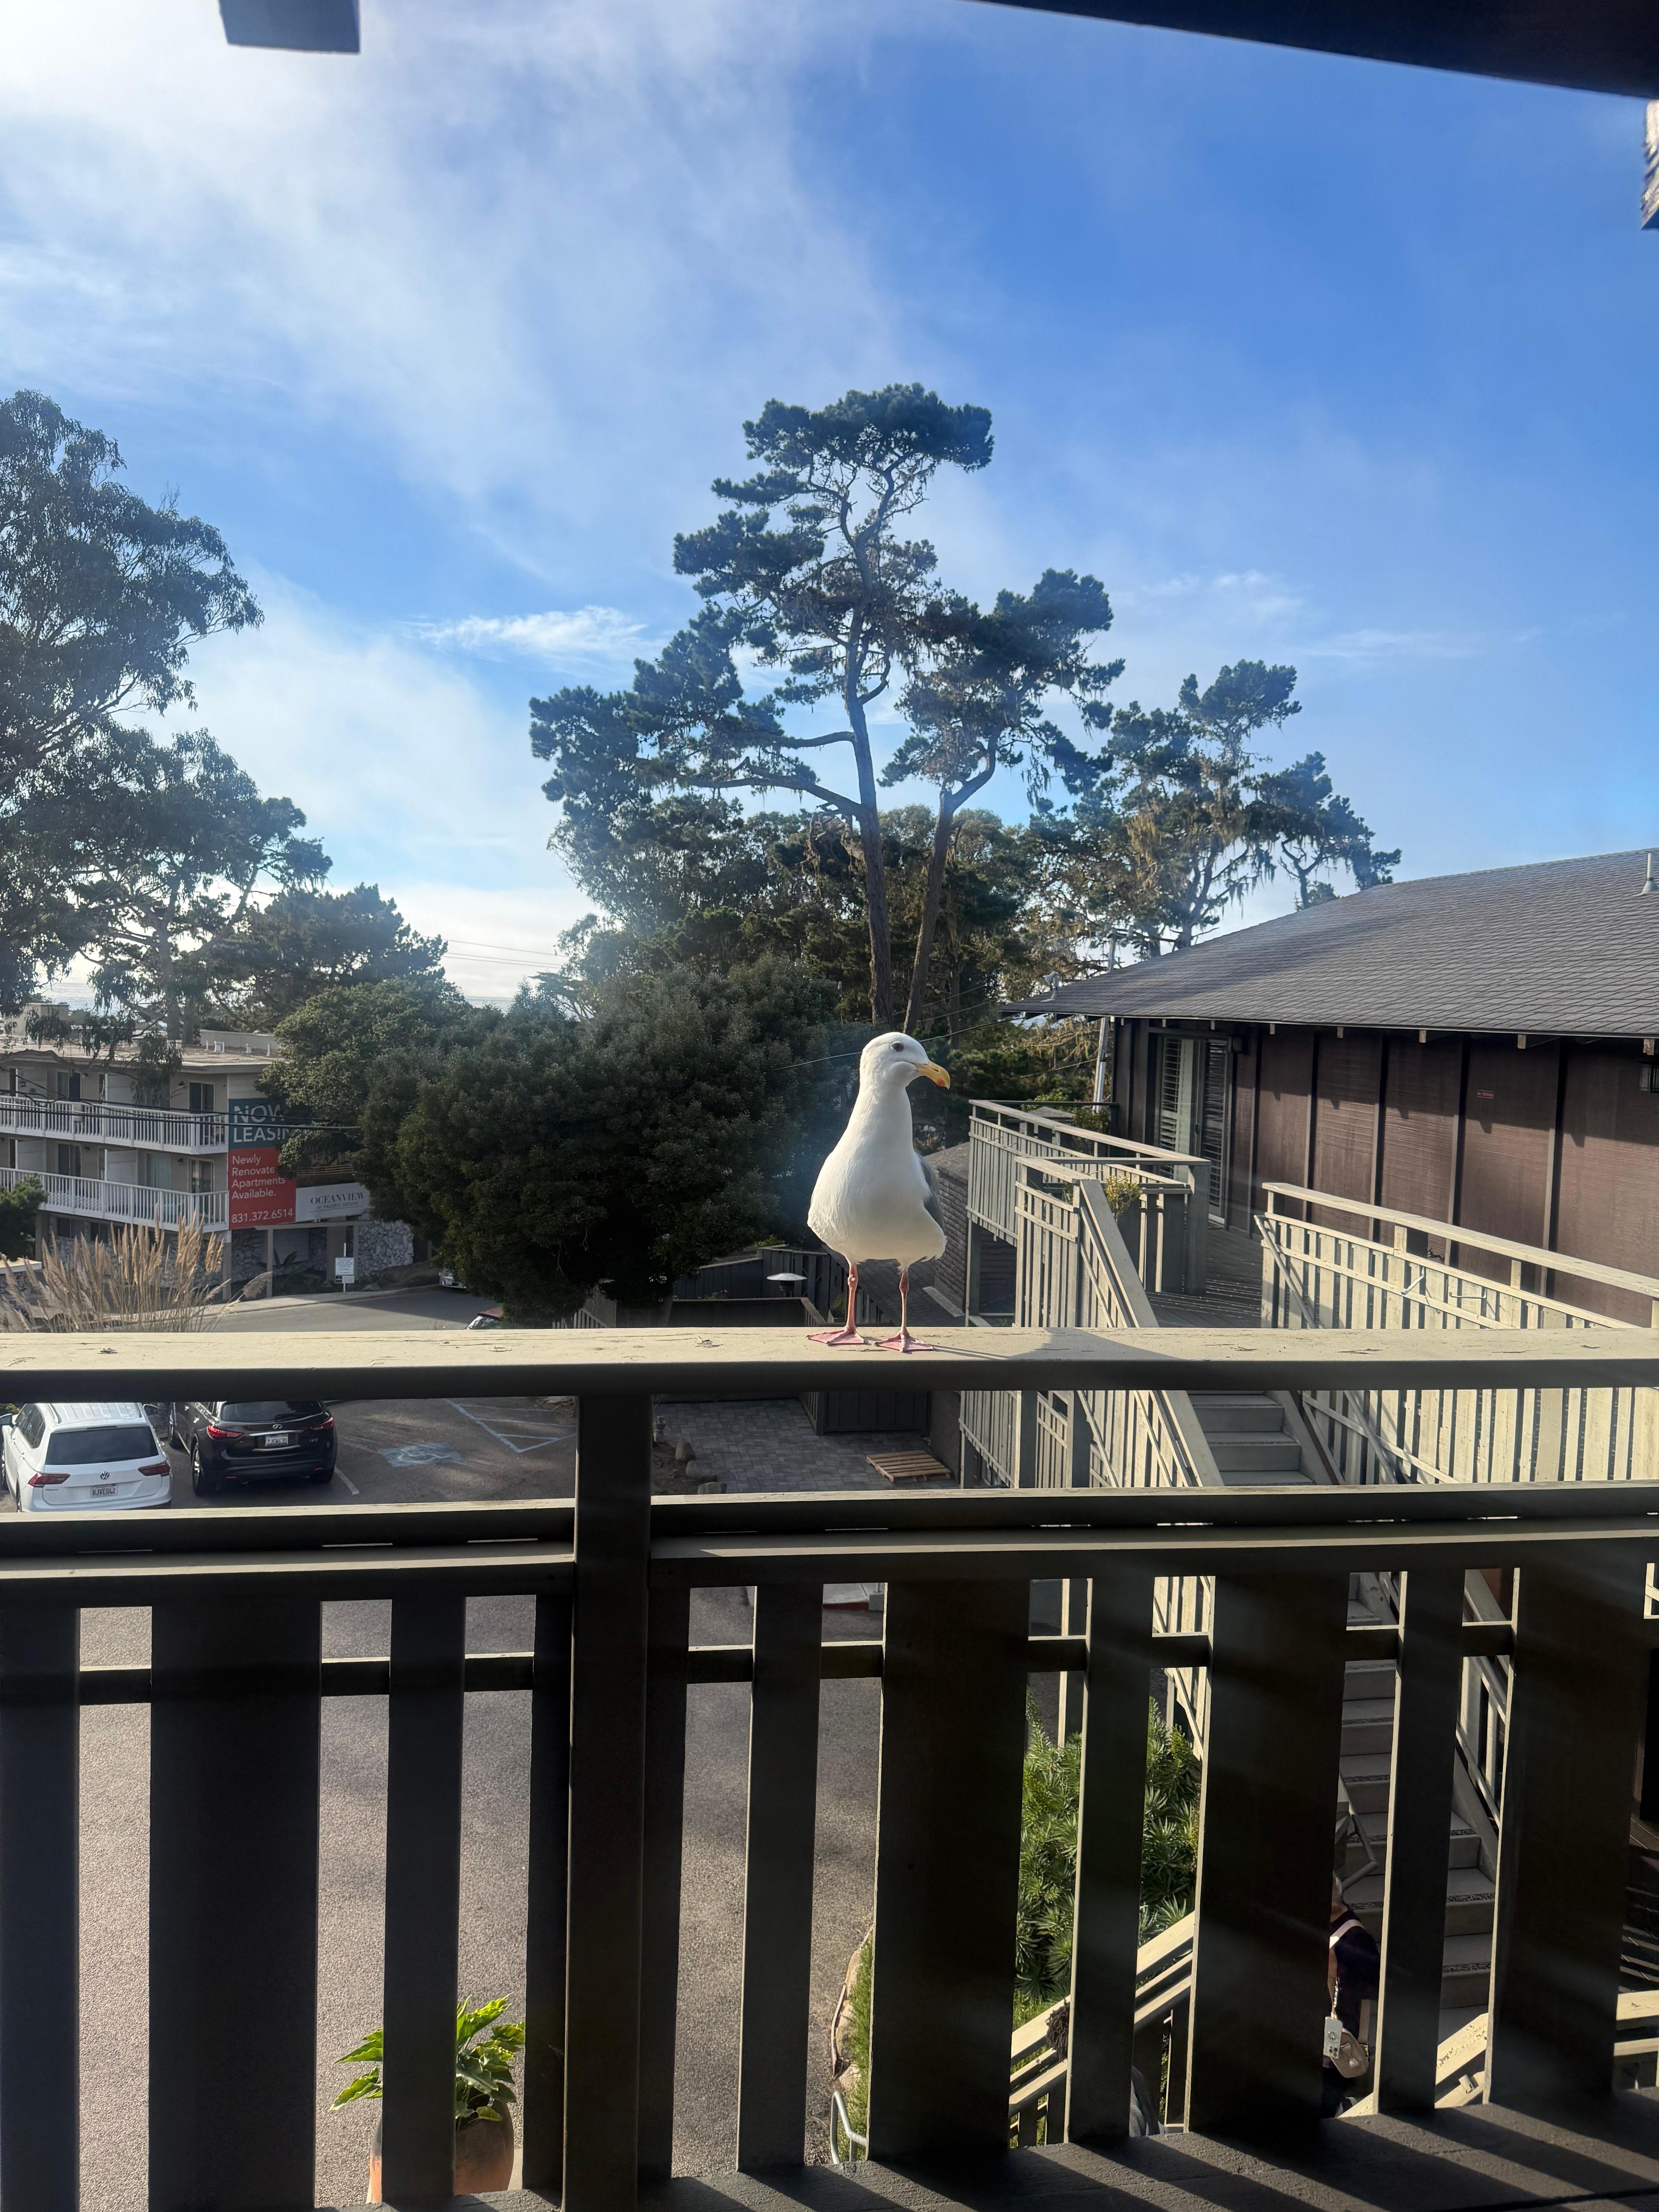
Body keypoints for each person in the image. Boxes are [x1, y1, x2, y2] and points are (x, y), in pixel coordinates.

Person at [1324, 1879, 1380, 2116]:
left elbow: (1370, 1990)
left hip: (1337, 2029)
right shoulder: (1334, 1924)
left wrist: (1334, 1970)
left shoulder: (1356, 1938)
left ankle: (1338, 2106)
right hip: (1327, 2025)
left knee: (1326, 2087)